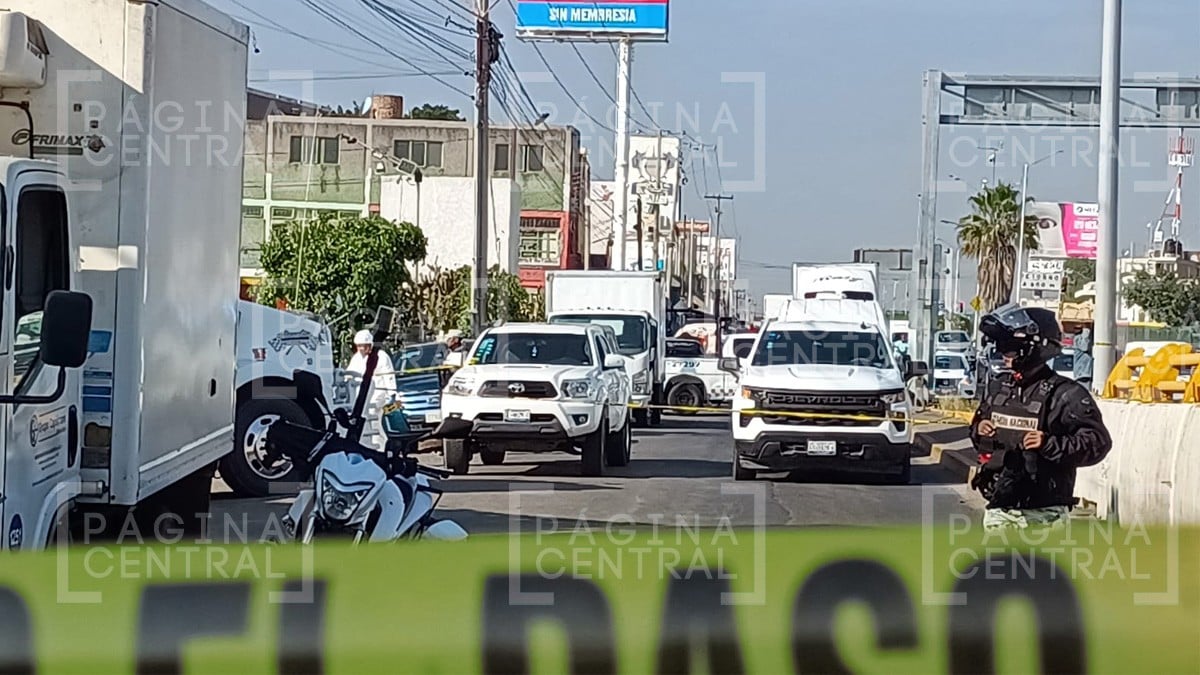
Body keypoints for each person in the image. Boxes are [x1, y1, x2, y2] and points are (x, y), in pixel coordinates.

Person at [969, 304, 1112, 531]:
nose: (1004, 354)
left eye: (1011, 348)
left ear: (1033, 349)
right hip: (999, 510)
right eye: (1002, 347)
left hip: (1046, 514)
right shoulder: (997, 389)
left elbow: (1098, 442)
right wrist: (980, 429)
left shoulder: (1066, 394)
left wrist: (1048, 443)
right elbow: (978, 436)